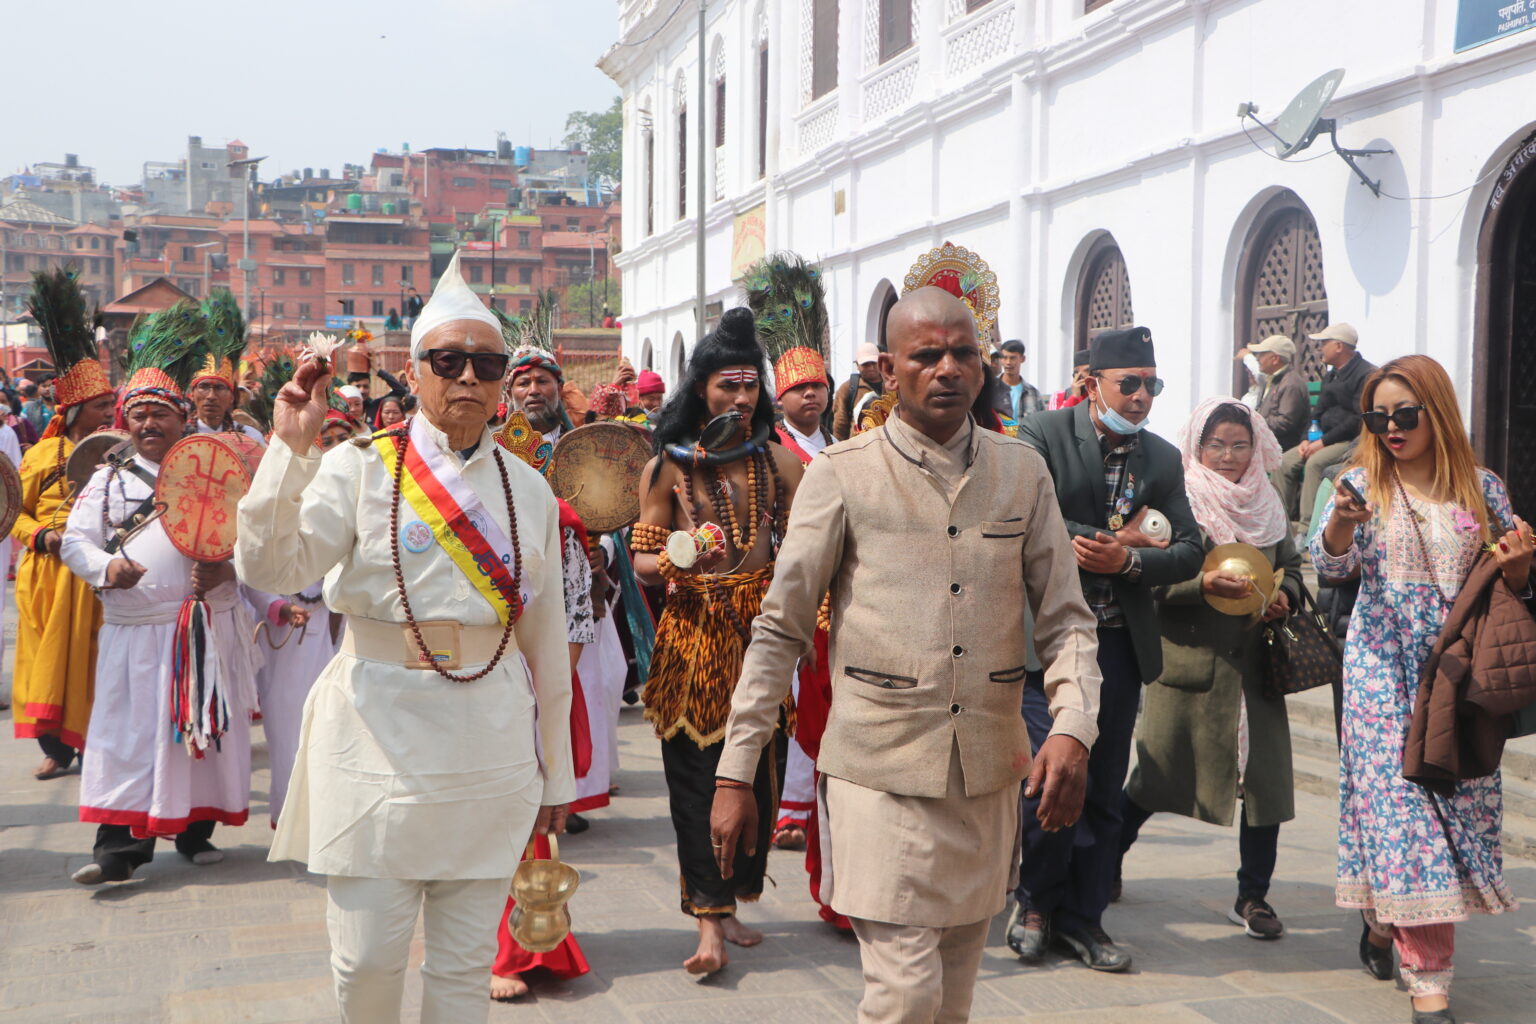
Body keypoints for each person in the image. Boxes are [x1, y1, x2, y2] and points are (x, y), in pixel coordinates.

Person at [711, 286, 1102, 1022]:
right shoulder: (844, 473)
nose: (947, 369)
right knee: (904, 996)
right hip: (877, 772)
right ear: (890, 370)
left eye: (963, 354)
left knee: (951, 1000)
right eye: (926, 356)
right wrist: (736, 770)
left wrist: (1075, 726)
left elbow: (1067, 622)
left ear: (984, 368)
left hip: (987, 775)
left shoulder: (1022, 473)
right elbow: (781, 628)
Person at [234, 250, 573, 1024]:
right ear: (412, 372)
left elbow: (546, 642)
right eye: (447, 361)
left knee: (461, 972)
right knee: (365, 967)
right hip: (373, 741)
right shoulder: (357, 469)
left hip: (487, 746)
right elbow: (275, 563)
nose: (467, 379)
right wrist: (288, 452)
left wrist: (556, 772)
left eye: (485, 364)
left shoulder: (529, 489)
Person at [1314, 355, 1527, 1024]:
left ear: (1438, 412)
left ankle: (1383, 925)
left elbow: (1505, 589)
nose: (1391, 428)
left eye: (1405, 414)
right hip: (1379, 666)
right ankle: (1429, 989)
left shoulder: (1483, 491)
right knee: (1407, 812)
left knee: (1448, 801)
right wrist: (1342, 523)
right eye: (1378, 417)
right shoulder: (1357, 482)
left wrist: (1518, 570)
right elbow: (1327, 563)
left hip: (1455, 671)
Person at [1009, 326, 1203, 972]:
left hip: (1118, 646)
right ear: (1092, 383)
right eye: (1132, 383)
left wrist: (1128, 561)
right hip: (1050, 646)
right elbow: (1026, 517)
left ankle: (1084, 919)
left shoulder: (1164, 460)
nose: (1144, 396)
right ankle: (1034, 901)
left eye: (1153, 384)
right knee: (1051, 774)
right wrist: (1110, 536)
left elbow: (1190, 548)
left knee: (1103, 786)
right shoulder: (1044, 433)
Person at [629, 307, 805, 975]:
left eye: (750, 386)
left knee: (758, 776)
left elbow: (814, 549)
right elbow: (643, 559)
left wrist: (810, 614)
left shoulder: (781, 464)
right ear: (700, 387)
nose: (740, 397)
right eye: (726, 385)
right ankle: (706, 921)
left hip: (760, 640)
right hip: (694, 642)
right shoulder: (666, 469)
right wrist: (680, 558)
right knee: (697, 782)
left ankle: (730, 904)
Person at [63, 322, 260, 883]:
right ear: (124, 422)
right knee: (128, 736)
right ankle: (118, 852)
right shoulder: (106, 481)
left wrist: (227, 567)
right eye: (138, 416)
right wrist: (107, 567)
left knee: (202, 735)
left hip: (204, 626)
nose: (149, 424)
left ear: (182, 418)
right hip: (136, 632)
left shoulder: (220, 470)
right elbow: (77, 542)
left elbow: (253, 539)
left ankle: (196, 832)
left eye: (161, 415)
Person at [1116, 399, 1301, 940]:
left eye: (1239, 445)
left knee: (1265, 788)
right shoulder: (1177, 500)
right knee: (1155, 779)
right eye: (1215, 445)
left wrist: (1283, 593)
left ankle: (1253, 896)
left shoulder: (1268, 501)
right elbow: (1145, 576)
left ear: (1256, 447)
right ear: (1196, 447)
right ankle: (1106, 862)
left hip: (1256, 668)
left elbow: (1288, 564)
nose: (1227, 456)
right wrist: (1201, 586)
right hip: (1192, 667)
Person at [9, 269, 115, 780]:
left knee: (95, 663)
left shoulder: (119, 454)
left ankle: (97, 740)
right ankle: (55, 747)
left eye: (110, 405)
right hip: (49, 574)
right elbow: (13, 516)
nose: (108, 414)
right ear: (74, 409)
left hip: (95, 574)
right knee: (48, 664)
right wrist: (43, 536)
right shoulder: (43, 454)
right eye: (100, 407)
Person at [1276, 322, 1374, 533]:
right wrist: (1305, 439)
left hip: (1348, 441)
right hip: (1321, 439)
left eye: (1324, 343)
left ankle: (1306, 530)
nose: (1320, 349)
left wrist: (1322, 442)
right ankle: (1280, 528)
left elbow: (1358, 419)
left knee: (1314, 464)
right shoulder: (1331, 375)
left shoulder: (1365, 374)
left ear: (1338, 346)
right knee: (1284, 462)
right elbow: (1317, 412)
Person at [1242, 335, 1309, 452]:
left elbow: (1285, 423)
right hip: (1265, 440)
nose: (1258, 359)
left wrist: (1253, 421)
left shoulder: (1291, 384)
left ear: (1275, 359)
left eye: (1262, 354)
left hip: (1280, 445)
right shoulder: (1271, 380)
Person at [831, 342, 883, 440]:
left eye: (874, 363)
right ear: (857, 365)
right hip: (859, 448)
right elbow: (840, 425)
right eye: (866, 364)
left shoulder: (892, 386)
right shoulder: (847, 389)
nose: (871, 367)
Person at [995, 339, 1042, 421]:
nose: (1008, 362)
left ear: (1022, 359)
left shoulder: (1032, 393)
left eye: (1012, 358)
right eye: (1004, 358)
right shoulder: (990, 389)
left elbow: (1040, 423)